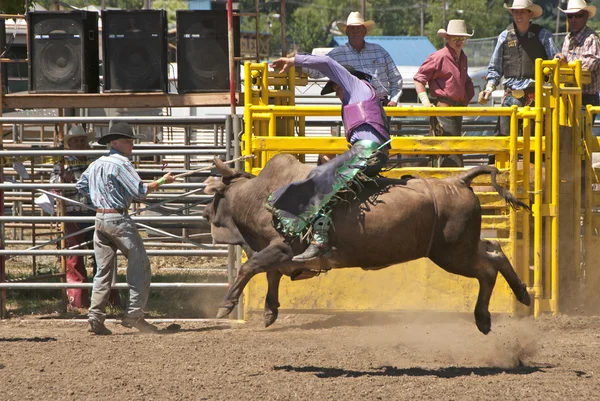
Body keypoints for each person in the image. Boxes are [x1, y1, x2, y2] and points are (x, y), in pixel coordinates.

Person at [268, 54, 390, 261]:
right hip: (372, 151)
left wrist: (294, 61)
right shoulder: (366, 94)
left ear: (342, 81)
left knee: (322, 178)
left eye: (336, 88)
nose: (336, 93)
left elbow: (327, 63)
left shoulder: (355, 85)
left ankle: (320, 240)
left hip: (367, 151)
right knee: (326, 174)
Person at [76, 122, 175, 335]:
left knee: (103, 271)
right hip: (118, 219)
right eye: (127, 141)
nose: (131, 144)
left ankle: (95, 317)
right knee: (140, 266)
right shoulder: (122, 164)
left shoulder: (96, 164)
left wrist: (100, 198)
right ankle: (134, 315)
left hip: (100, 219)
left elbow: (81, 185)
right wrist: (163, 180)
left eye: (131, 141)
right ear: (114, 142)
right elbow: (140, 191)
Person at [478, 0, 559, 136]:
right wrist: (489, 88)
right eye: (515, 12)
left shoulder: (543, 35)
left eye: (522, 12)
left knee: (535, 141)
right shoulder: (504, 36)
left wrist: (558, 57)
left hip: (536, 96)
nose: (518, 15)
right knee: (503, 138)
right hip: (510, 95)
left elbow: (555, 58)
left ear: (530, 14)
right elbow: (495, 67)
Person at [305, 11, 403, 107]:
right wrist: (299, 64)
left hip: (380, 105)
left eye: (358, 28)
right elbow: (317, 70)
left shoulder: (379, 51)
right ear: (347, 32)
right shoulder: (337, 54)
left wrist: (393, 100)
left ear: (365, 31)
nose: (355, 31)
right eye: (352, 28)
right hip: (354, 107)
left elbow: (396, 78)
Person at [414, 19, 474, 167]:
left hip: (457, 110)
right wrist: (426, 103)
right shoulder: (439, 57)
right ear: (447, 38)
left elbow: (464, 80)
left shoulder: (462, 58)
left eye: (462, 38)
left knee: (453, 150)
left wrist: (467, 96)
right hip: (443, 110)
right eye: (455, 38)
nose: (459, 41)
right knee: (449, 153)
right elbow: (419, 79)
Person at [555, 0, 600, 107]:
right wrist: (559, 58)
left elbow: (588, 66)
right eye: (570, 16)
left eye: (578, 16)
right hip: (568, 96)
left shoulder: (591, 38)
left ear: (586, 17)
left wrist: (566, 65)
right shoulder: (567, 38)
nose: (573, 20)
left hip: (586, 97)